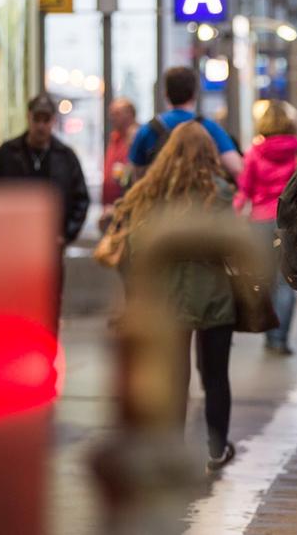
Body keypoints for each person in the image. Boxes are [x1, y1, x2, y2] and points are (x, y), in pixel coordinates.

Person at [113, 121, 239, 472]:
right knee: (216, 377)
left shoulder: (152, 194)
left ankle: (171, 450)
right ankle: (216, 450)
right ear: (210, 154)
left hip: (167, 301)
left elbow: (136, 249)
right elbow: (231, 246)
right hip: (214, 296)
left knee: (173, 377)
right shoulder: (221, 193)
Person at [0, 93, 90, 332]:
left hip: (50, 248)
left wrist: (66, 234)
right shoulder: (6, 155)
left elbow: (80, 199)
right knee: (15, 308)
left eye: (46, 120)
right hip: (14, 250)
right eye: (37, 119)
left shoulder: (65, 158)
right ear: (28, 118)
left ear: (53, 121)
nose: (41, 126)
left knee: (49, 306)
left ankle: (47, 358)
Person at [234, 101, 297, 356]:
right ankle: (279, 340)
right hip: (290, 223)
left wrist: (232, 217)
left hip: (260, 223)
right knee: (285, 282)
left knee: (265, 280)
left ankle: (269, 333)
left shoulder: (255, 153)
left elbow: (244, 190)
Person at [128, 67, 243, 182]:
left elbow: (137, 176)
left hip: (160, 198)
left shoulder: (148, 130)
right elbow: (236, 168)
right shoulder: (209, 128)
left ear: (166, 94)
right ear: (194, 93)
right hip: (199, 198)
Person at [102, 98, 138, 211]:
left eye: (116, 114)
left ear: (130, 114)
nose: (112, 118)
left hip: (128, 205)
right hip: (110, 206)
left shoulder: (137, 138)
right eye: (111, 114)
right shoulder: (115, 138)